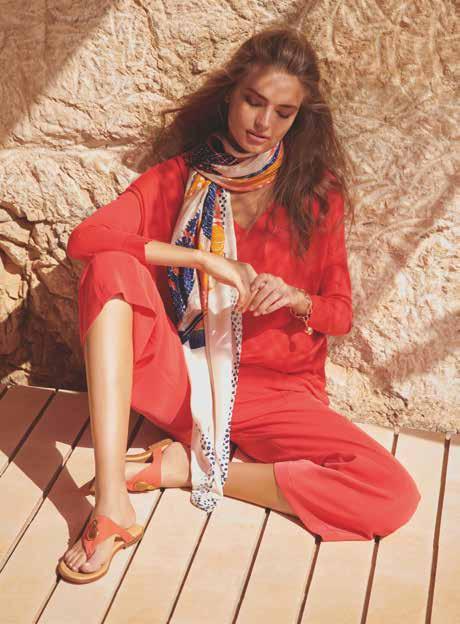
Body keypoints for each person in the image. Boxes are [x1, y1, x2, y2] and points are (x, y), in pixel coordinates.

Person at [58, 26, 421, 583]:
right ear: (230, 94)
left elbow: (340, 313)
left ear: (298, 118)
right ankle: (112, 504)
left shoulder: (317, 193)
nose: (263, 123)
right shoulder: (178, 179)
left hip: (276, 395)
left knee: (391, 493)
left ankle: (190, 467)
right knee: (109, 267)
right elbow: (86, 239)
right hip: (187, 382)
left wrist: (298, 299)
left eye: (283, 112)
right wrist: (204, 260)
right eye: (253, 101)